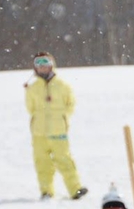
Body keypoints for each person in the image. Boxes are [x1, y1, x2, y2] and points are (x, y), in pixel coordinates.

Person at [24, 51, 88, 201]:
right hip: (39, 132)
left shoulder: (62, 86)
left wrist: (63, 117)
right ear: (35, 68)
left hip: (58, 130)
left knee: (64, 160)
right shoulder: (32, 88)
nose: (42, 67)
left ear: (51, 65)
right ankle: (46, 191)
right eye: (38, 64)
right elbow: (30, 108)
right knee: (42, 163)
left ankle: (75, 189)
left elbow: (70, 104)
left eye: (45, 63)